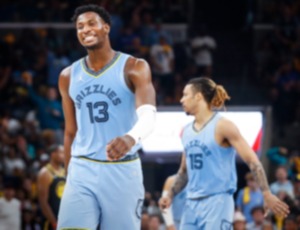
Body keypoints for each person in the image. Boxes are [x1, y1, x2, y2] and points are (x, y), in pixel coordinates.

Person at [57, 4, 156, 230]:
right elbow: (70, 131)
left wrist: (131, 137)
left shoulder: (135, 67)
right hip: (82, 168)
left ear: (106, 28)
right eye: (80, 26)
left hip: (122, 170)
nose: (85, 29)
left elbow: (149, 116)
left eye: (92, 23)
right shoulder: (67, 76)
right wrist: (68, 173)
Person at [159, 77, 289, 229]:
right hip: (191, 203)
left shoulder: (223, 126)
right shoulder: (186, 131)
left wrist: (266, 193)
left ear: (198, 96)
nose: (181, 100)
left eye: (185, 94)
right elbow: (184, 172)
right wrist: (170, 195)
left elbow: (252, 160)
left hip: (218, 201)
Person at [37, 144, 65, 230]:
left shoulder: (65, 171)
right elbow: (43, 202)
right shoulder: (45, 173)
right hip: (50, 221)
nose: (64, 155)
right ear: (53, 154)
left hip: (64, 219)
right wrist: (54, 222)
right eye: (62, 153)